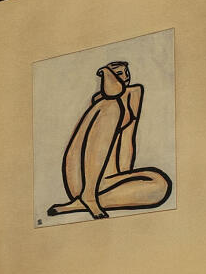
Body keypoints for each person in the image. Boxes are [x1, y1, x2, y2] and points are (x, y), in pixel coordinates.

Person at [48, 58, 172, 218]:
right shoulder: (102, 102)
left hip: (109, 183)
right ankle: (88, 194)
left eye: (126, 72)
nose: (125, 76)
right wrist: (106, 73)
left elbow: (128, 137)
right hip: (82, 177)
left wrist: (125, 175)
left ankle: (81, 203)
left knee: (161, 186)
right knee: (112, 107)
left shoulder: (134, 93)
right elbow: (112, 92)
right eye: (119, 74)